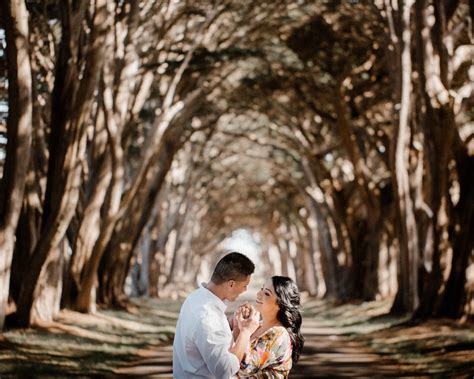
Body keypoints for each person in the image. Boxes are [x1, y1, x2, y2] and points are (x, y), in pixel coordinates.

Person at [173, 252, 260, 379]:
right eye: (244, 286)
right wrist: (246, 332)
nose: (245, 290)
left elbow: (206, 335)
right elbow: (225, 370)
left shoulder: (195, 298)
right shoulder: (208, 317)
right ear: (231, 284)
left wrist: (232, 323)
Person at [233, 276, 304, 378]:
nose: (258, 294)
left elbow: (242, 368)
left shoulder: (278, 333)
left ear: (280, 304)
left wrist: (245, 331)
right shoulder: (259, 325)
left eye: (266, 293)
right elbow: (233, 355)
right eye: (262, 289)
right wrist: (237, 326)